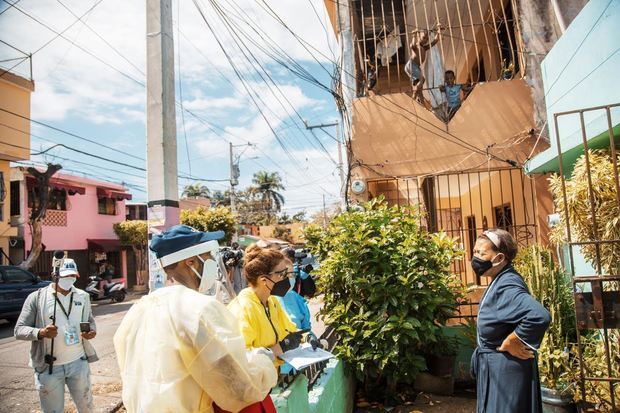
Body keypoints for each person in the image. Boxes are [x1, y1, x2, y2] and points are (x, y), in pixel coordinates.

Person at [113, 225, 277, 413]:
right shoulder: (199, 308)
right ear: (191, 262)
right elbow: (241, 390)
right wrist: (262, 361)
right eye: (208, 258)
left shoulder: (137, 311)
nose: (214, 265)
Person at [470, 228, 551, 413]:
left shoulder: (507, 284)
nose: (476, 258)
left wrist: (513, 340)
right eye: (475, 252)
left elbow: (539, 316)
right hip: (497, 369)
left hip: (506, 372)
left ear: (499, 258)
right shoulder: (499, 278)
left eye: (482, 253)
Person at [14, 267, 98, 413]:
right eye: (66, 275)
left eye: (73, 275)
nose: (70, 278)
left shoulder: (83, 296)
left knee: (87, 408)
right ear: (54, 276)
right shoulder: (37, 297)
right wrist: (41, 332)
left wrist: (91, 331)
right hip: (49, 368)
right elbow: (19, 330)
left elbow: (89, 320)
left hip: (79, 363)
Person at [227, 246, 304, 371]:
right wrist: (279, 348)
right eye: (282, 274)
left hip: (269, 379)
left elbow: (289, 330)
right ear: (264, 280)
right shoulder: (243, 309)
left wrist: (306, 337)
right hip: (254, 386)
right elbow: (240, 359)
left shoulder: (271, 301)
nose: (287, 279)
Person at [406, 27, 442, 103]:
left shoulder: (424, 48)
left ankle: (421, 101)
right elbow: (412, 46)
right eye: (424, 38)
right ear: (419, 36)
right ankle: (414, 94)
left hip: (416, 67)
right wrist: (414, 36)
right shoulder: (416, 46)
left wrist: (438, 31)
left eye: (427, 39)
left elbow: (435, 41)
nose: (425, 40)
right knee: (422, 79)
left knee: (420, 86)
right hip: (411, 65)